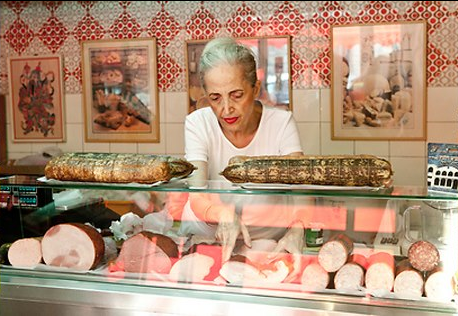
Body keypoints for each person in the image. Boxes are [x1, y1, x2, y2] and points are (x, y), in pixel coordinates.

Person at [178, 37, 306, 279]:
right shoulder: (197, 123)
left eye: (236, 95)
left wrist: (297, 228)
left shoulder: (280, 123)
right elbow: (196, 193)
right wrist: (223, 214)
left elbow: (301, 187)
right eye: (215, 98)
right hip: (205, 239)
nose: (226, 108)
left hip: (265, 242)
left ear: (255, 89)